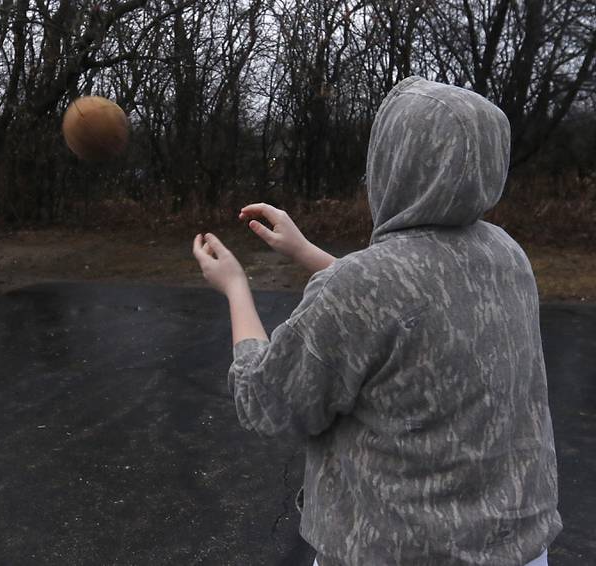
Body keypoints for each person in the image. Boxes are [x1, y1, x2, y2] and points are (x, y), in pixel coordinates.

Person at [192, 76, 562, 565]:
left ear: (395, 163)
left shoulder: (364, 286)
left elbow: (265, 401)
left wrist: (236, 286)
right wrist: (305, 252)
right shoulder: (505, 253)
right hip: (518, 550)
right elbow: (411, 305)